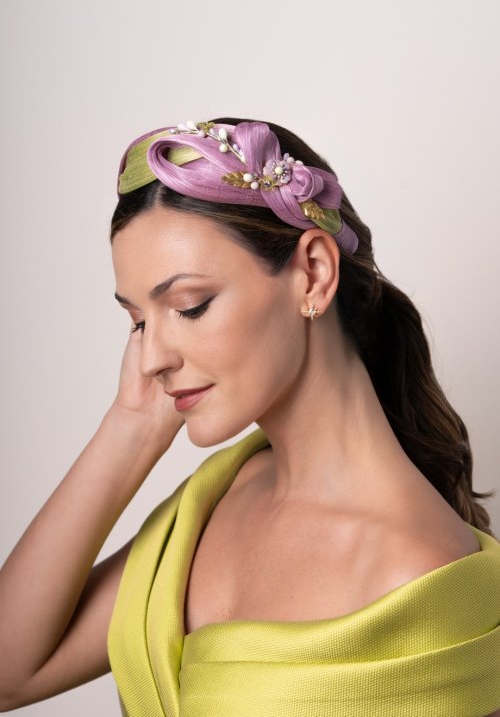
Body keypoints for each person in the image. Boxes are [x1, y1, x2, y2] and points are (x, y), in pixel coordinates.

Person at [0, 117, 499, 717]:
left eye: (190, 306)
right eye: (138, 321)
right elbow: (9, 673)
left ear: (313, 274)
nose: (152, 358)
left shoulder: (418, 574)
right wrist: (131, 426)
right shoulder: (216, 497)